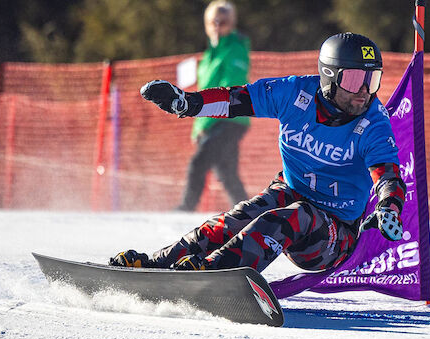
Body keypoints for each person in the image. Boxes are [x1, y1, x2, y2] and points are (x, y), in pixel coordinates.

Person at [110, 33, 406, 273]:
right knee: (237, 219)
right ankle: (158, 263)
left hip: (334, 234)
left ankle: (215, 272)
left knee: (295, 216)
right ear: (328, 76)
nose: (365, 91)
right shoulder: (295, 94)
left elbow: (388, 176)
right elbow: (237, 100)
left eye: (373, 80)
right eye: (355, 80)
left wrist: (388, 208)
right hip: (290, 192)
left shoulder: (373, 123)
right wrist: (188, 104)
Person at [177, 0, 251, 211]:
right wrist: (199, 128)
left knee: (198, 164)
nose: (218, 26)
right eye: (213, 22)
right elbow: (203, 94)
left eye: (223, 21)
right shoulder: (210, 54)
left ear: (233, 23)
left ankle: (186, 207)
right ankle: (248, 211)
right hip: (211, 120)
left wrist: (207, 125)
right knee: (226, 172)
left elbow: (228, 91)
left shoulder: (235, 49)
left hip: (230, 119)